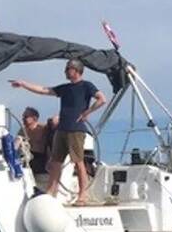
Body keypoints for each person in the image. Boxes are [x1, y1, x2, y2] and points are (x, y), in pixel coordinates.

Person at [9, 59, 106, 203]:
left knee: (78, 163)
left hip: (76, 130)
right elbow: (43, 90)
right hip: (62, 130)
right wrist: (23, 84)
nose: (65, 71)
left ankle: (83, 195)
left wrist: (87, 112)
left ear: (76, 70)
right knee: (55, 163)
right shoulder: (65, 88)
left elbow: (102, 99)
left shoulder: (86, 86)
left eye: (67, 69)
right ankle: (51, 193)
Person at [20, 107, 58, 180]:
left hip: (41, 158)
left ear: (34, 118)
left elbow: (54, 124)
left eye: (26, 117)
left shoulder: (43, 128)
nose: (23, 119)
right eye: (23, 117)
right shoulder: (23, 131)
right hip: (27, 157)